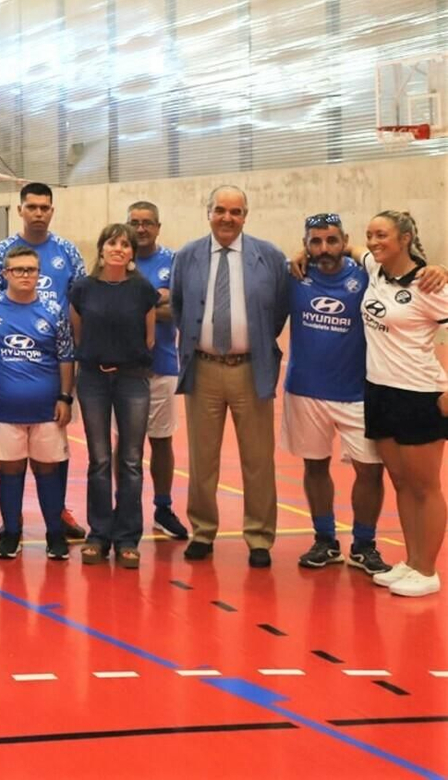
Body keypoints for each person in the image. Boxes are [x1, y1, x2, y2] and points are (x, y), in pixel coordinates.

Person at [170, 186, 289, 567]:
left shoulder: (268, 256)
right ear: (208, 213)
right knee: (202, 459)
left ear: (245, 216)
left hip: (250, 368)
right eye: (220, 210)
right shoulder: (188, 255)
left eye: (235, 212)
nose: (227, 218)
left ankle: (259, 537)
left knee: (258, 460)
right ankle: (203, 531)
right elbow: (177, 303)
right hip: (203, 368)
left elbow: (280, 308)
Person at [0, 183, 88, 542]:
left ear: (52, 210)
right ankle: (13, 526)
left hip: (53, 363)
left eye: (45, 207)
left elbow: (81, 302)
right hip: (9, 372)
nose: (39, 213)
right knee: (11, 463)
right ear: (21, 209)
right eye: (32, 207)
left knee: (53, 451)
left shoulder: (67, 252)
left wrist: (68, 381)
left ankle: (58, 515)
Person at [284, 214, 388, 575]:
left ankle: (364, 544)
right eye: (315, 242)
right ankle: (325, 540)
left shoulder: (366, 275)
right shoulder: (294, 276)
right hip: (306, 390)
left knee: (371, 470)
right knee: (314, 465)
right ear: (306, 244)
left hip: (357, 392)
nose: (323, 249)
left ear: (344, 240)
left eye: (331, 240)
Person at [360, 211, 447, 597]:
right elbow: (347, 246)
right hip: (380, 391)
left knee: (425, 486)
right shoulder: (374, 269)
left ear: (405, 238)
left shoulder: (431, 284)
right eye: (370, 235)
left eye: (382, 235)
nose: (375, 242)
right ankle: (411, 562)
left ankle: (428, 570)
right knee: (401, 482)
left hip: (419, 394)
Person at [0, 244, 75, 560]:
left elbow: (66, 356)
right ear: (5, 274)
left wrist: (65, 397)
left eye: (30, 270)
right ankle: (11, 533)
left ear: (39, 274)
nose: (24, 275)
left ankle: (54, 534)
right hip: (3, 409)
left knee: (48, 470)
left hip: (47, 409)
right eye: (18, 269)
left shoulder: (53, 310)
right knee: (11, 470)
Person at [68, 224, 158, 568]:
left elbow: (149, 338)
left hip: (132, 380)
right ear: (101, 249)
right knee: (100, 459)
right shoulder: (83, 289)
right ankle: (99, 534)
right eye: (112, 242)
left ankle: (127, 538)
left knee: (132, 461)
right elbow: (79, 333)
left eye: (125, 244)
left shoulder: (142, 290)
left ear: (132, 253)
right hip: (93, 379)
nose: (118, 248)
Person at [126, 201, 189, 541]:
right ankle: (126, 509)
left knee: (161, 442)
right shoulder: (120, 259)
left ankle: (163, 508)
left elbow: (180, 310)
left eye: (148, 222)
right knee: (126, 447)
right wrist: (155, 302)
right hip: (121, 369)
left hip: (162, 365)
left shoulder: (174, 261)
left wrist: (138, 305)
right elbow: (112, 308)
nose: (141, 229)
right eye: (135, 222)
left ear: (158, 226)